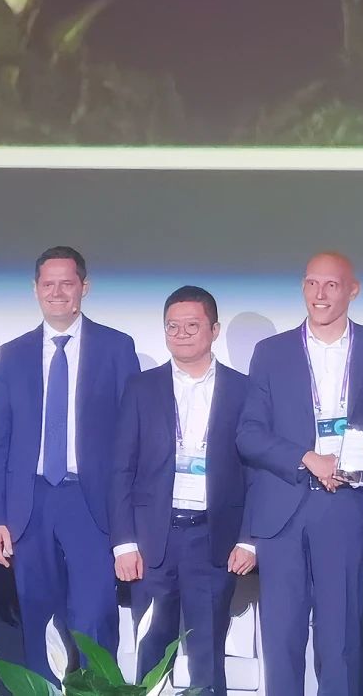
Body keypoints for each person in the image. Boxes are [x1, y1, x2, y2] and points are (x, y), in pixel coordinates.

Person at [236, 251, 363, 695]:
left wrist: (357, 462)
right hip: (284, 507)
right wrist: (307, 457)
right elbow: (249, 434)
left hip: (349, 506)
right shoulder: (270, 351)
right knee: (281, 636)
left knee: (341, 636)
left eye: (331, 284)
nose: (319, 294)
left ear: (353, 290)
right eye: (311, 283)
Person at [0, 246, 140, 680]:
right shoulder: (12, 354)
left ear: (84, 287)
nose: (56, 292)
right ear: (35, 289)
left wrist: (129, 522)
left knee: (95, 620)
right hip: (29, 504)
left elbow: (131, 438)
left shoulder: (116, 347)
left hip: (91, 503)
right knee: (39, 623)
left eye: (66, 283)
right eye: (48, 284)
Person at [109, 285, 256, 692]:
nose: (181, 334)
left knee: (208, 652)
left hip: (214, 539)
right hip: (152, 541)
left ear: (214, 329)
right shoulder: (141, 387)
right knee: (150, 649)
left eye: (192, 325)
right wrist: (123, 544)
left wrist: (249, 539)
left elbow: (256, 473)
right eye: (172, 326)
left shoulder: (243, 390)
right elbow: (120, 468)